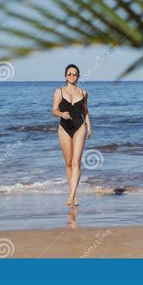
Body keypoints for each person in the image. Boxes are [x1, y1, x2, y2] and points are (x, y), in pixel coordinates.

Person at [52, 64, 92, 207]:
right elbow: (54, 110)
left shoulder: (83, 92)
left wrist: (89, 126)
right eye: (69, 74)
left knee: (76, 163)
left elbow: (85, 111)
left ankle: (71, 196)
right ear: (65, 76)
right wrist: (62, 114)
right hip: (64, 128)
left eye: (74, 74)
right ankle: (73, 194)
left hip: (79, 127)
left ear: (78, 76)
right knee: (68, 163)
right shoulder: (59, 91)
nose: (72, 76)